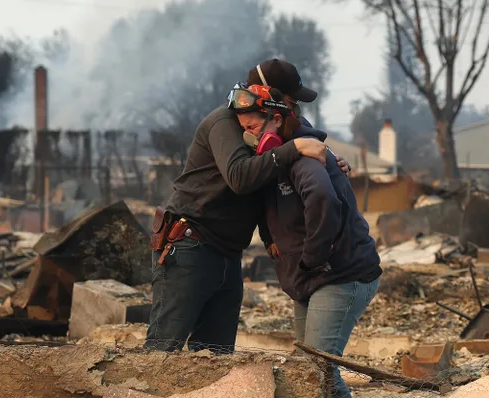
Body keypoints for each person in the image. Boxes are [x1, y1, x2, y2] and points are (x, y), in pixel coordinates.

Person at [144, 67, 350, 353]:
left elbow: (285, 163)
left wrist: (329, 159)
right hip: (190, 246)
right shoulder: (226, 124)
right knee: (164, 347)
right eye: (291, 103)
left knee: (215, 354)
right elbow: (241, 177)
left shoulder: (272, 127)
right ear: (267, 96)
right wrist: (296, 148)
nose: (295, 112)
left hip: (227, 253)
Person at [231, 84, 382, 398]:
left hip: (341, 275)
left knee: (317, 366)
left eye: (253, 128)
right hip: (310, 278)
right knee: (309, 366)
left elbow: (321, 197)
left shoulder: (303, 158)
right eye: (243, 129)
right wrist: (271, 240)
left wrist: (313, 257)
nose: (248, 136)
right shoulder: (278, 162)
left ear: (276, 119)